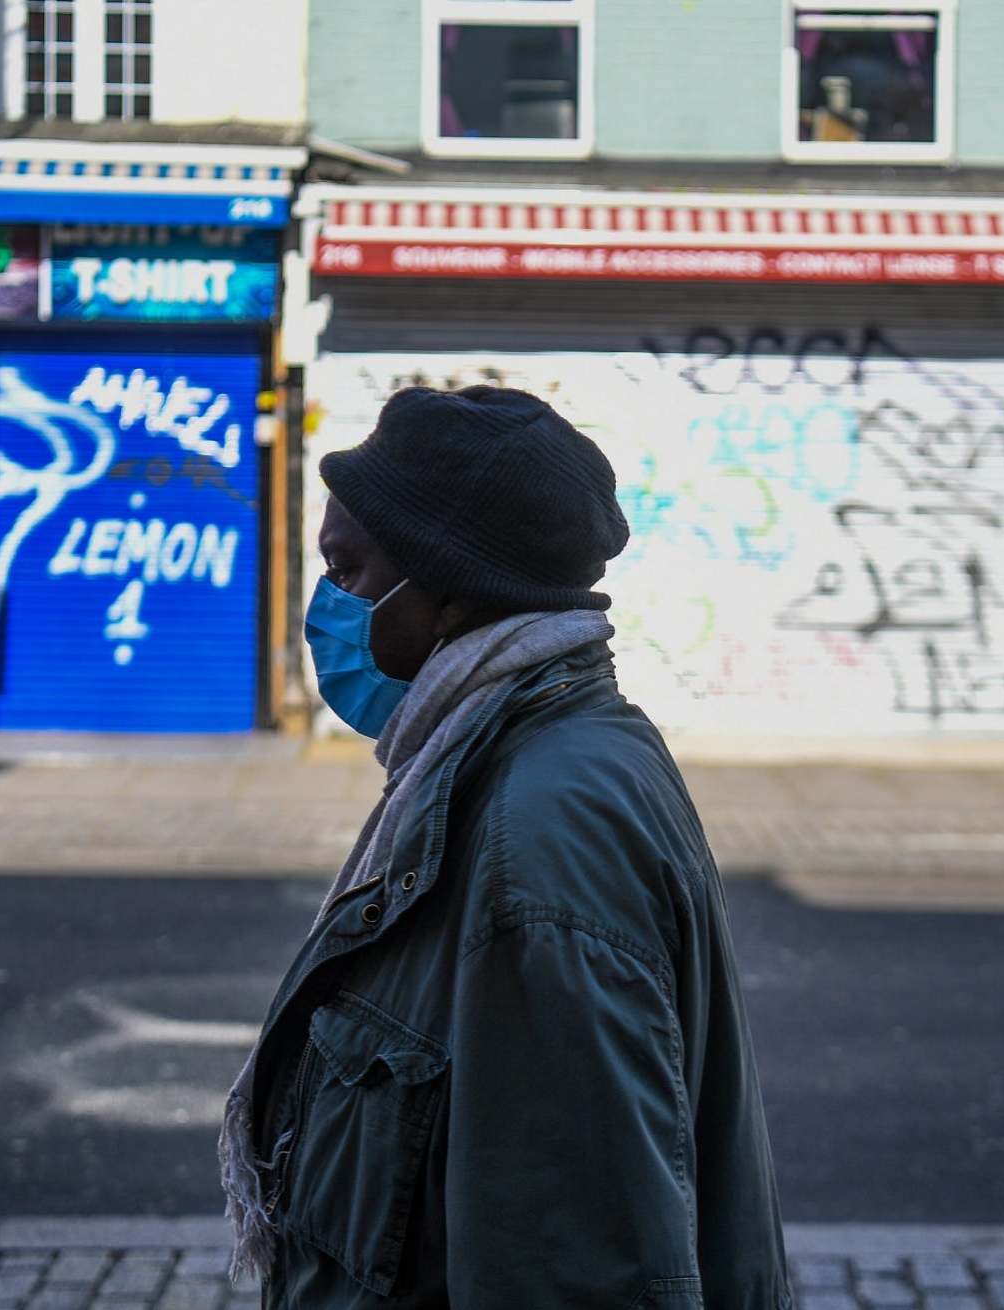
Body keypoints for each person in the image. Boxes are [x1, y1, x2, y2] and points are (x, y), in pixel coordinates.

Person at [221, 385, 792, 1309]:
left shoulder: (537, 835)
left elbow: (577, 1269)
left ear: (449, 593)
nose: (327, 606)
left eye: (345, 570)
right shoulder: (524, 753)